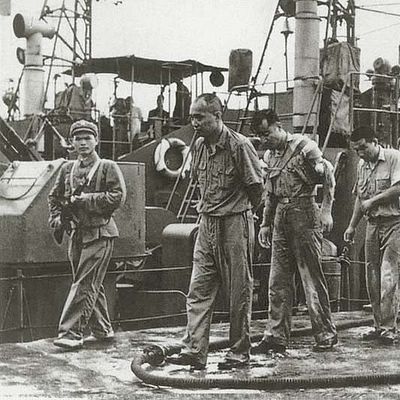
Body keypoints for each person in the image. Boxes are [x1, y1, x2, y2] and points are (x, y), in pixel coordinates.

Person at [167, 93, 263, 370]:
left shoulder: (239, 145)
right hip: (207, 223)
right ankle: (194, 351)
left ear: (217, 116)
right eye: (191, 117)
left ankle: (239, 352)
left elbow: (257, 188)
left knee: (239, 291)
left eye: (199, 117)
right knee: (198, 289)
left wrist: (246, 217)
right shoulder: (198, 145)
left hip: (235, 222)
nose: (194, 123)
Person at [251, 109, 337, 354]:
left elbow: (328, 176)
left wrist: (326, 211)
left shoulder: (304, 147)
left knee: (311, 278)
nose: (264, 139)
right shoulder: (270, 155)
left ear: (278, 126)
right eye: (260, 136)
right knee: (277, 280)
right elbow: (270, 193)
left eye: (267, 133)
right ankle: (275, 336)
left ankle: (325, 334)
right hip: (281, 215)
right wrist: (265, 224)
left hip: (304, 212)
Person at [48, 119, 126, 350]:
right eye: (78, 139)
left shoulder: (107, 166)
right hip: (77, 234)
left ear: (96, 140)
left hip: (101, 233)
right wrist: (56, 218)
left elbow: (118, 196)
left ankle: (71, 333)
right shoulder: (67, 169)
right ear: (72, 142)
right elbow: (54, 197)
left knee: (84, 283)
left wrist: (86, 200)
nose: (83, 143)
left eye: (87, 138)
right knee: (90, 282)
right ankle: (102, 329)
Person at [344, 126, 400, 344]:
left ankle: (388, 327)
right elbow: (360, 199)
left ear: (375, 142)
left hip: (394, 223)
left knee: (388, 275)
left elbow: (398, 188)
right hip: (372, 225)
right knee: (372, 276)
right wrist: (351, 226)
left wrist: (373, 201)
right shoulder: (362, 165)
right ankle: (378, 325)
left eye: (363, 147)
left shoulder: (394, 158)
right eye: (356, 150)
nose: (360, 153)